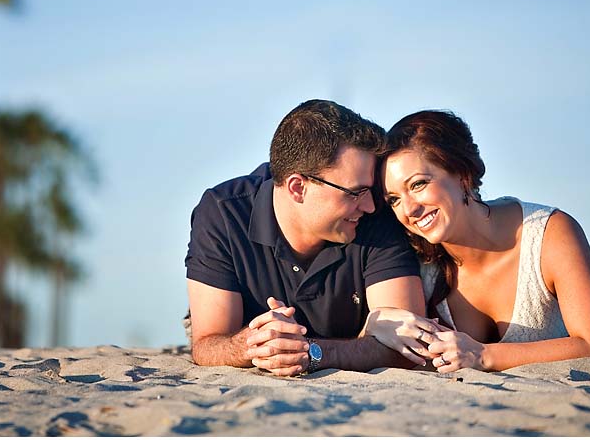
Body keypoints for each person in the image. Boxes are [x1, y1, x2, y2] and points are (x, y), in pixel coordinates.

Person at [363, 110, 590, 372]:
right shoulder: (420, 261)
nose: (409, 209)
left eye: (418, 184)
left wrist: (483, 355)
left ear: (462, 174)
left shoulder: (550, 233)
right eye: (394, 200)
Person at [185, 99, 439, 377]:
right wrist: (253, 345)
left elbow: (407, 346)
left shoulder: (376, 213)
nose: (369, 205)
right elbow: (207, 344)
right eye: (354, 193)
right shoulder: (223, 213)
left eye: (369, 191)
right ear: (297, 187)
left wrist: (310, 352)